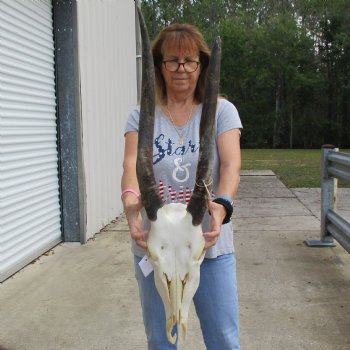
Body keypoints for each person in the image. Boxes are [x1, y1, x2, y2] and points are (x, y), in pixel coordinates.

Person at [121, 22, 242, 350]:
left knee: (224, 340)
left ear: (201, 65)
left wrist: (222, 204)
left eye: (190, 60)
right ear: (159, 66)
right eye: (172, 60)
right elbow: (132, 166)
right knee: (161, 341)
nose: (181, 69)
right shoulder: (139, 116)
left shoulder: (222, 111)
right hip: (155, 249)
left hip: (208, 245)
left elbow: (230, 165)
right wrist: (131, 202)